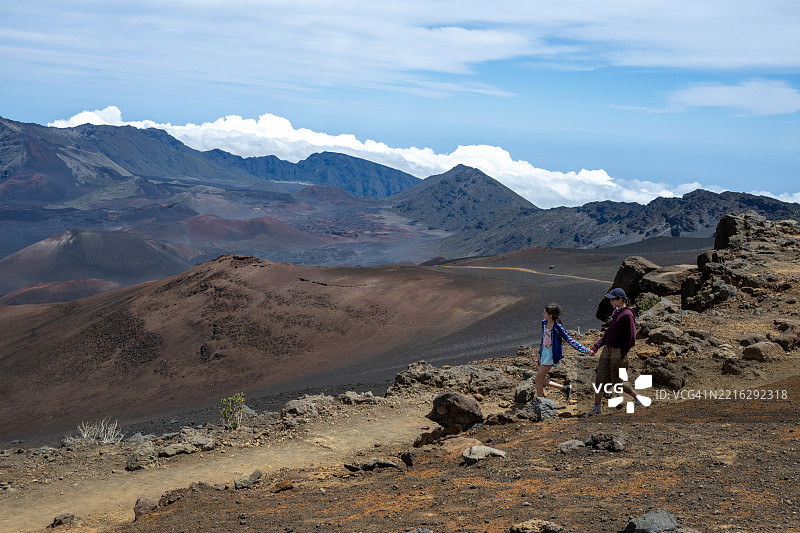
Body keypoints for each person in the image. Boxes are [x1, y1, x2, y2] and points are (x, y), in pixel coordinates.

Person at [584, 287, 646, 416]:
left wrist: (622, 353)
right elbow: (607, 333)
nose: (610, 301)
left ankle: (638, 398)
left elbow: (631, 337)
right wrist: (596, 347)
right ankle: (597, 408)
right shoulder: (615, 312)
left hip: (618, 352)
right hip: (607, 350)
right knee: (600, 378)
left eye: (613, 299)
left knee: (618, 382)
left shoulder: (628, 315)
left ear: (620, 300)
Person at [535, 303, 588, 401]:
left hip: (552, 354)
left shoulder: (557, 326)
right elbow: (543, 340)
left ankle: (540, 402)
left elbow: (569, 339)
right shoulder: (544, 323)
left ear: (550, 315)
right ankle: (564, 389)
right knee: (540, 379)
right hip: (544, 353)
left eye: (544, 313)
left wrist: (584, 350)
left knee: (538, 379)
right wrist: (539, 354)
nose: (543, 314)